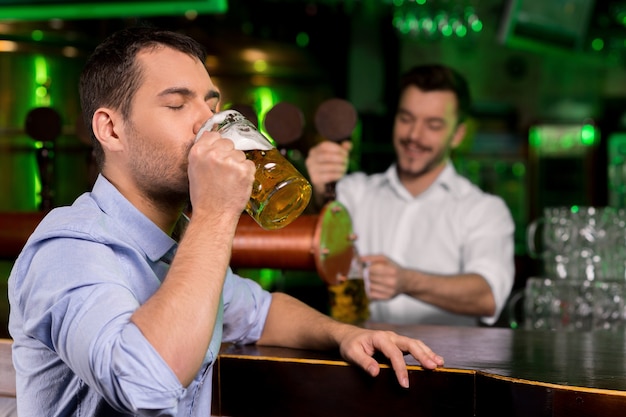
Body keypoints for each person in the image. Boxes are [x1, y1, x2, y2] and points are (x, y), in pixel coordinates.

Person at [7, 27, 444, 416]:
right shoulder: (70, 246)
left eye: (211, 104)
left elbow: (261, 312)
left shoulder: (173, 245)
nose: (208, 124)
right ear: (112, 129)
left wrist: (345, 335)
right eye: (178, 105)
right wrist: (215, 213)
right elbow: (144, 385)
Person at [305, 64, 515, 327]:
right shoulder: (356, 192)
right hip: (361, 359)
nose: (414, 135)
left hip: (446, 365)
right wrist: (322, 185)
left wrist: (407, 281)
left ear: (457, 134)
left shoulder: (483, 210)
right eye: (406, 119)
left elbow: (488, 296)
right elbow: (320, 235)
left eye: (433, 125)